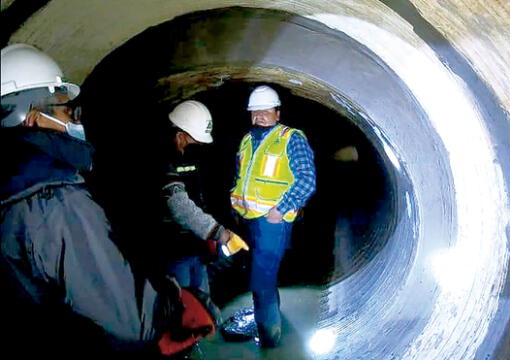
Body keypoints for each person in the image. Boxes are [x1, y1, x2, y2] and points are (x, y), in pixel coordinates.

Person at [0, 43, 215, 358]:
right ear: (32, 117)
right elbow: (133, 319)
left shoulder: (17, 185)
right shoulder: (55, 201)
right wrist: (174, 298)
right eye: (63, 107)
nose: (73, 117)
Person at [230, 85, 316, 347]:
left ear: (277, 113)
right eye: (255, 111)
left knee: (261, 278)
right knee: (261, 275)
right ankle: (272, 320)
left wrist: (281, 209)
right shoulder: (247, 140)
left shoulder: (291, 138)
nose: (260, 115)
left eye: (266, 110)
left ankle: (269, 337)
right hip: (250, 221)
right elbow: (241, 178)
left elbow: (307, 180)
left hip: (272, 223)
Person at [161, 100, 232, 295]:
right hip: (171, 247)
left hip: (195, 243)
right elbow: (178, 206)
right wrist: (217, 232)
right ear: (179, 134)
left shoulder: (189, 155)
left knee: (201, 299)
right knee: (181, 304)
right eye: (193, 141)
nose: (196, 145)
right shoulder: (161, 160)